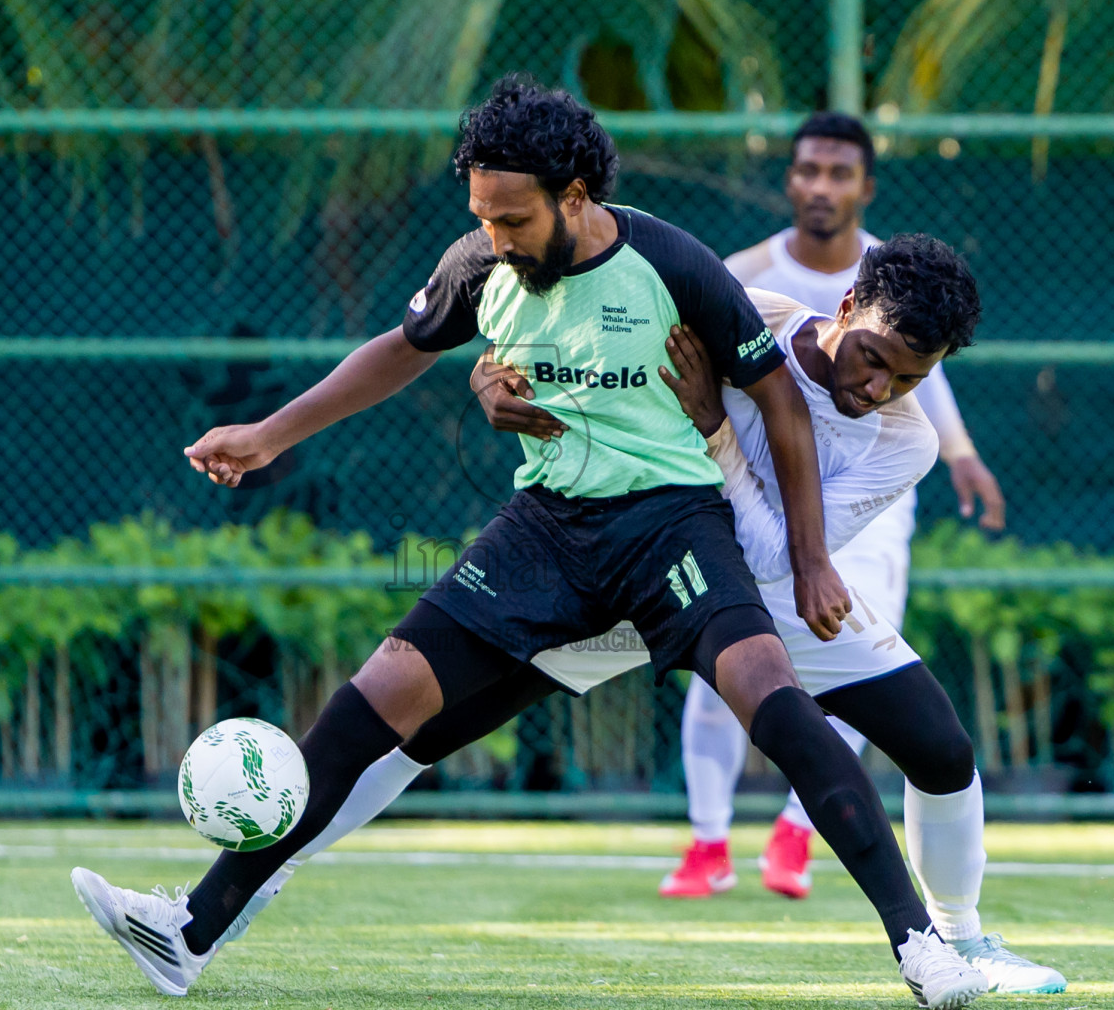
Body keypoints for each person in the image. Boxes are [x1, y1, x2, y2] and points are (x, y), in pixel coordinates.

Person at [69, 77, 990, 1009]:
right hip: (547, 529)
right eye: (484, 217)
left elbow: (781, 404)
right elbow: (403, 347)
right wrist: (271, 435)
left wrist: (808, 555)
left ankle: (929, 947)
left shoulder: (679, 266)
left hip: (676, 527)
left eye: (512, 219)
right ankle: (193, 928)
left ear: (576, 198)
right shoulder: (485, 264)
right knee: (384, 711)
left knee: (789, 706)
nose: (496, 238)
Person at [212, 240, 1063, 1000]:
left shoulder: (906, 440)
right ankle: (262, 875)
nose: (879, 388)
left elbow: (773, 557)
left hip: (772, 600)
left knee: (942, 749)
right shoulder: (740, 311)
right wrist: (492, 374)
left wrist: (713, 432)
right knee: (426, 733)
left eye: (909, 378)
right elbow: (595, 371)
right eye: (875, 357)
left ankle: (963, 940)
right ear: (846, 308)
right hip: (642, 569)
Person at [662, 111, 1007, 905]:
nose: (822, 186)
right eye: (809, 170)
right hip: (715, 520)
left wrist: (959, 455)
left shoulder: (909, 315)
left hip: (856, 521)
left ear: (865, 187)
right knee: (713, 679)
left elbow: (926, 382)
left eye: (840, 173)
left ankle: (803, 833)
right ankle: (709, 840)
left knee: (881, 686)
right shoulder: (745, 282)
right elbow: (660, 346)